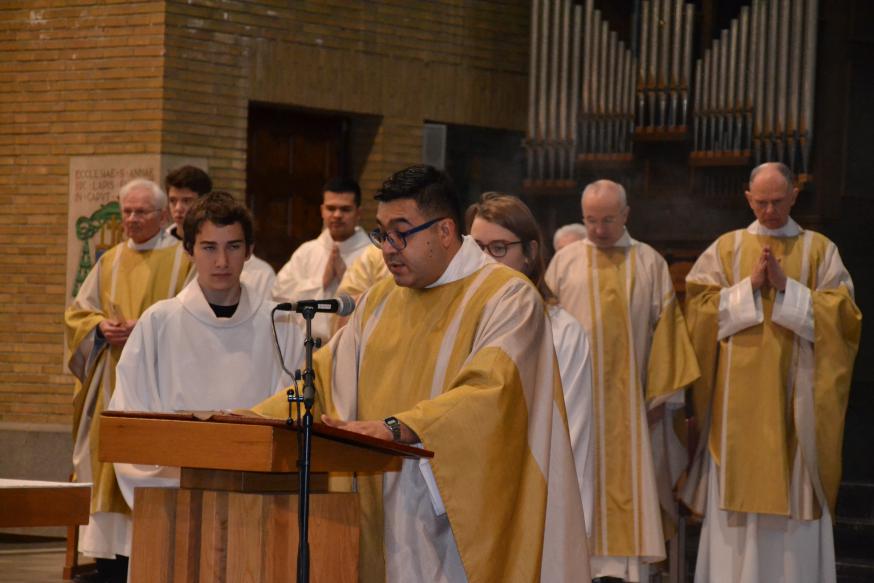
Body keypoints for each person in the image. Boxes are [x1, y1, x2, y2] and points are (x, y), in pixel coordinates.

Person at [254, 165, 590, 582]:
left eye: (401, 232)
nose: (388, 249)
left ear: (446, 232)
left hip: (454, 518)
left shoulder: (506, 296)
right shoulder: (378, 301)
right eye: (381, 234)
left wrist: (398, 428)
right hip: (379, 508)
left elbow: (492, 390)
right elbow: (319, 382)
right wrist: (247, 421)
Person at [681, 162, 862, 583]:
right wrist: (748, 287)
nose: (768, 210)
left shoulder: (820, 250)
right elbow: (698, 314)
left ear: (795, 194)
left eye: (777, 201)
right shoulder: (725, 249)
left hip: (796, 414)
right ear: (748, 198)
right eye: (760, 202)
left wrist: (787, 288)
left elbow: (845, 320)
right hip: (736, 415)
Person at [108, 192, 304, 523]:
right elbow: (131, 417)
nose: (222, 262)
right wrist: (172, 484)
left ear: (250, 252)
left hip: (258, 501)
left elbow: (293, 413)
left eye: (233, 246)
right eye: (209, 247)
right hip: (176, 501)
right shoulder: (158, 323)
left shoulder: (281, 324)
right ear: (189, 252)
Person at [545, 179, 700, 582]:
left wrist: (661, 401)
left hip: (634, 410)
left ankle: (628, 573)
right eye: (590, 220)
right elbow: (545, 333)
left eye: (607, 220)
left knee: (632, 491)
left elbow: (668, 337)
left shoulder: (649, 262)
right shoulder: (564, 263)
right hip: (576, 405)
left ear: (626, 215)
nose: (598, 229)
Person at [65, 178, 191, 582]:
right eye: (127, 212)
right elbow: (78, 313)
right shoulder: (109, 260)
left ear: (162, 216)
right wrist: (101, 327)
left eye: (141, 212)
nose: (132, 219)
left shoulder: (183, 260)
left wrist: (149, 326)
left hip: (157, 383)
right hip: (111, 380)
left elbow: (193, 317)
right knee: (105, 463)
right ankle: (108, 563)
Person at [467, 192, 595, 536]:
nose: (485, 261)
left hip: (533, 502)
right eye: (477, 247)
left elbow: (572, 437)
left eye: (498, 248)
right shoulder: (455, 325)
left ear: (529, 254)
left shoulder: (562, 332)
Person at [272, 177, 371, 343]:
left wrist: (346, 279)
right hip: (309, 348)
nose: (337, 215)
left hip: (354, 348)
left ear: (358, 213)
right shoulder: (307, 252)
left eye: (345, 209)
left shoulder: (372, 254)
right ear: (322, 210)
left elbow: (382, 302)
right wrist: (320, 283)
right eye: (331, 208)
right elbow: (278, 296)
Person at [164, 165, 276, 300]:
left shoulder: (259, 273)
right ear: (189, 250)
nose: (178, 208)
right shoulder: (161, 253)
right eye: (173, 201)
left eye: (187, 200)